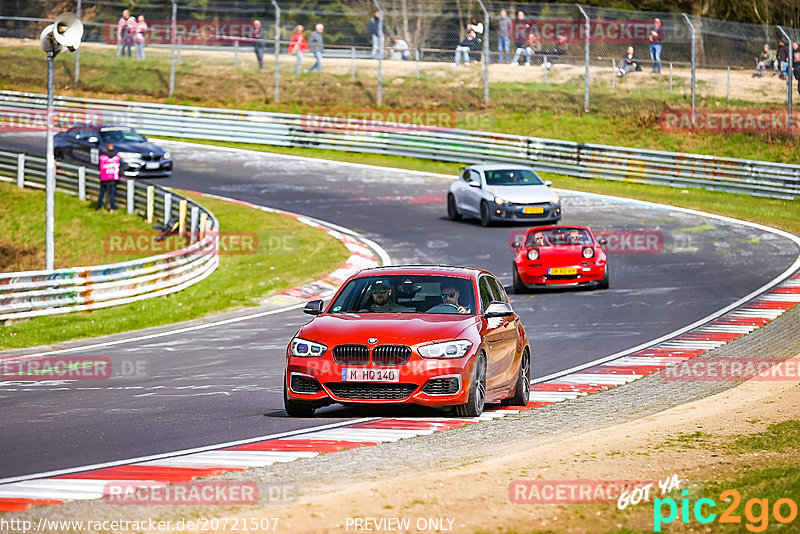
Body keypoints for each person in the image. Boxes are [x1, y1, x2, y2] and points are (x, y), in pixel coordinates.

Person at [97, 144, 120, 212]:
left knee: (101, 194)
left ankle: (99, 208)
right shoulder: (117, 158)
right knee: (112, 194)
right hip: (113, 178)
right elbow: (120, 167)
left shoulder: (102, 157)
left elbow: (99, 167)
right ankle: (112, 208)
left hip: (104, 178)